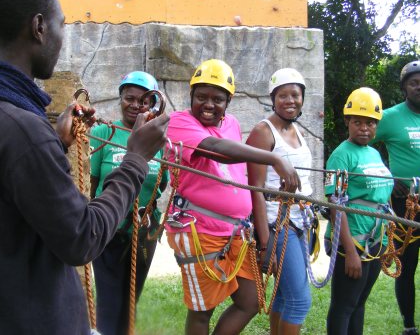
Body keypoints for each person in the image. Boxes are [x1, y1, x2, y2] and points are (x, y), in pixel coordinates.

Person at [0, 0, 169, 335]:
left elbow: (5, 204)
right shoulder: (22, 131)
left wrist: (56, 143)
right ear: (39, 27)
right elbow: (83, 238)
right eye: (62, 25)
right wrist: (136, 158)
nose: (62, 37)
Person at [165, 59, 301, 335]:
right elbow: (217, 149)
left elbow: (237, 171)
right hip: (199, 230)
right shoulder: (179, 122)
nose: (208, 104)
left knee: (250, 302)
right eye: (201, 97)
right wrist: (274, 158)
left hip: (236, 232)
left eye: (218, 99)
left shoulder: (232, 124)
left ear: (229, 101)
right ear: (191, 96)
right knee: (202, 311)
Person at [90, 71, 169, 335]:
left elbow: (161, 185)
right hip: (109, 229)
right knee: (109, 301)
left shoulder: (157, 141)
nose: (135, 105)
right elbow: (90, 184)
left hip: (143, 230)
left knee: (130, 300)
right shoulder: (104, 132)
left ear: (152, 104)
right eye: (129, 98)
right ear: (120, 99)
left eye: (143, 101)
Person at [245, 68, 312, 335]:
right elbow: (256, 188)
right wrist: (264, 241)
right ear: (273, 99)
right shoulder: (264, 131)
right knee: (299, 301)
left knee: (285, 296)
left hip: (300, 221)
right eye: (282, 95)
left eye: (295, 94)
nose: (290, 100)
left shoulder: (296, 130)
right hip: (277, 223)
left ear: (302, 98)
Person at [324, 87, 393, 335]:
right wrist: (351, 252)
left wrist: (387, 241)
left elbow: (382, 197)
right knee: (344, 305)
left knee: (359, 303)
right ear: (347, 122)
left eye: (370, 123)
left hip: (375, 241)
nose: (364, 128)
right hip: (352, 242)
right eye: (358, 122)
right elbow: (335, 206)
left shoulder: (374, 152)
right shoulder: (340, 156)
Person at [373, 60, 420, 335]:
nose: (419, 87)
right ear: (404, 88)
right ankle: (409, 326)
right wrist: (388, 178)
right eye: (414, 83)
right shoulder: (390, 117)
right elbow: (362, 142)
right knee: (407, 264)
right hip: (407, 205)